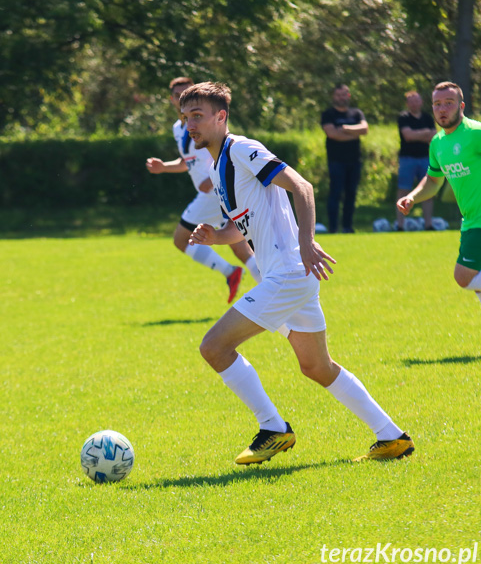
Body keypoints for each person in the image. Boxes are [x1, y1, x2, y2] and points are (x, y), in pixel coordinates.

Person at [181, 81, 412, 464]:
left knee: (214, 347)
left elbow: (301, 187)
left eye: (198, 116)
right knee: (317, 367)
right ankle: (393, 437)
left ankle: (273, 427)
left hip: (288, 274)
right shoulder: (219, 163)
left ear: (220, 117)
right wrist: (214, 237)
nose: (190, 125)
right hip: (288, 276)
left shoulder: (242, 149)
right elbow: (243, 225)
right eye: (185, 117)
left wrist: (307, 241)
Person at [146, 77, 261, 303]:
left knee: (182, 239)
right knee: (240, 246)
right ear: (172, 100)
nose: (181, 97)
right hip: (214, 194)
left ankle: (232, 273)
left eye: (186, 92)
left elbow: (221, 151)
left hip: (213, 194)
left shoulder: (206, 125)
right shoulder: (180, 129)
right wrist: (163, 168)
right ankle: (271, 286)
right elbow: (187, 161)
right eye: (177, 95)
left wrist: (215, 177)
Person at [398, 81, 481, 317]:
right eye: (437, 104)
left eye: (449, 103)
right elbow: (433, 182)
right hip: (471, 220)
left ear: (462, 106)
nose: (442, 109)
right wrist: (412, 197)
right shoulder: (437, 143)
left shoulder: (478, 133)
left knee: (464, 276)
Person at [321, 84, 369, 233]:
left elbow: (365, 129)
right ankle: (333, 228)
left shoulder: (356, 113)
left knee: (351, 194)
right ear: (333, 97)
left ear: (348, 95)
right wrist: (354, 133)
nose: (341, 97)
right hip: (336, 161)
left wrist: (345, 129)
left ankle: (347, 227)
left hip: (354, 160)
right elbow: (332, 134)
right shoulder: (328, 114)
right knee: (335, 194)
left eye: (344, 94)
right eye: (338, 95)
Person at [395, 91, 436, 231]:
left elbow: (434, 136)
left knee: (427, 191)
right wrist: (425, 133)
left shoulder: (427, 117)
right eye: (411, 101)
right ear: (407, 103)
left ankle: (428, 224)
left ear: (421, 102)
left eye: (417, 100)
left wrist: (418, 134)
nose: (414, 103)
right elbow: (408, 136)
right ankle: (400, 225)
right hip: (407, 159)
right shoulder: (404, 117)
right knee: (403, 190)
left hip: (425, 158)